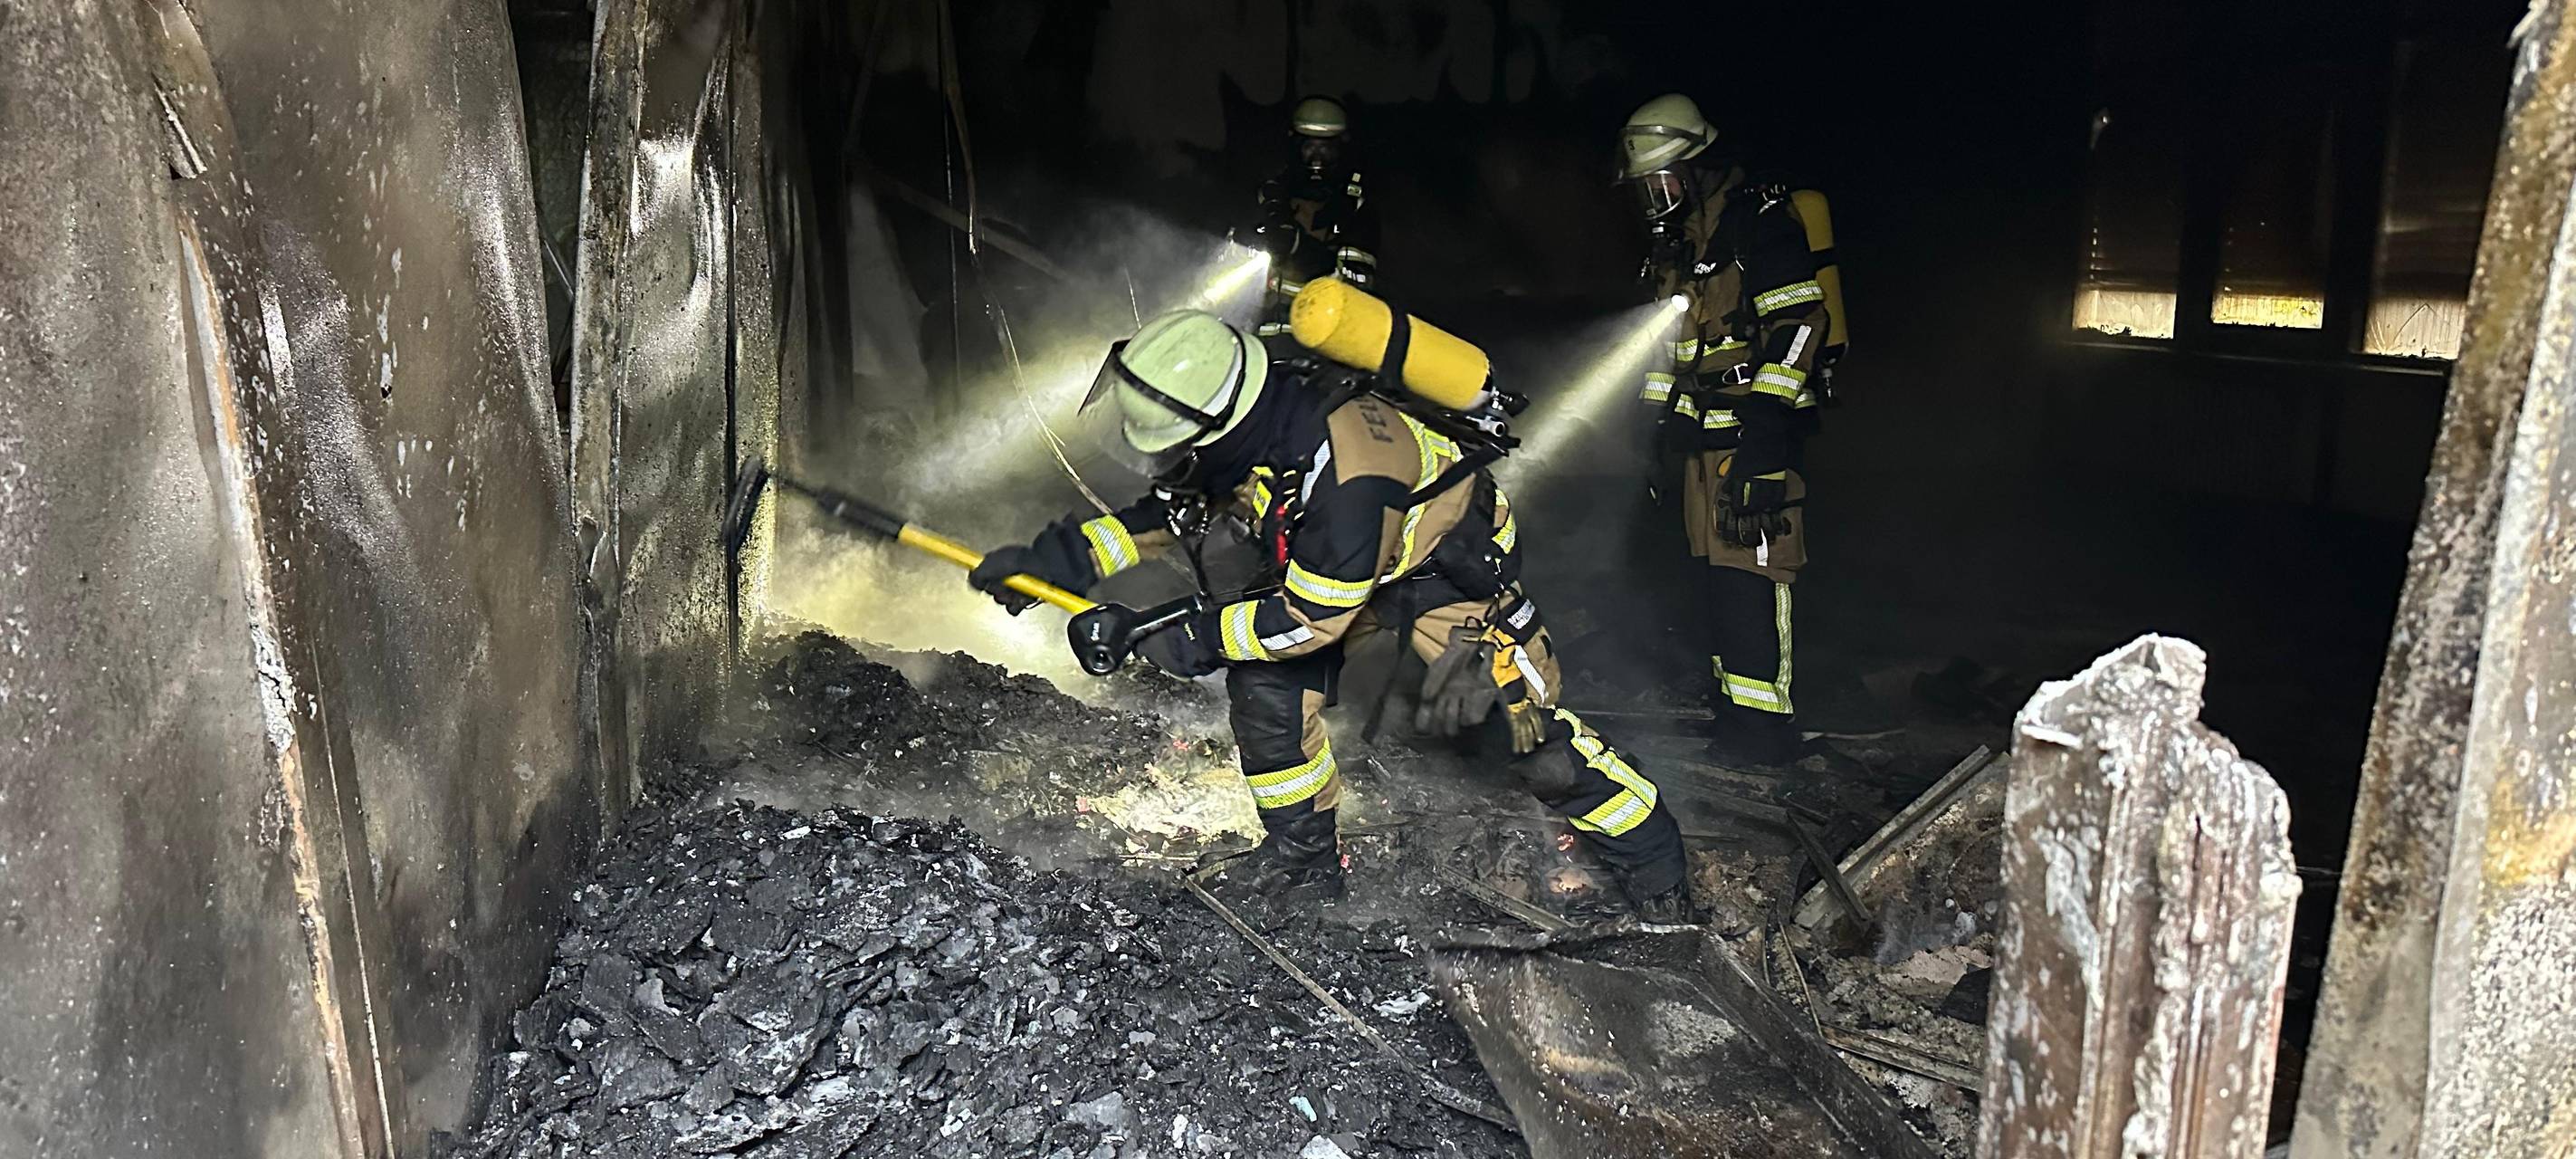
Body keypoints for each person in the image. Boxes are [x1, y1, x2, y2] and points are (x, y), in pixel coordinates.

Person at [966, 309, 1694, 920]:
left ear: (1220, 425)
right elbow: (1167, 512)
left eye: (1178, 446)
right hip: (1341, 565)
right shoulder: (1253, 423)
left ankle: (1658, 868)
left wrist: (1176, 635)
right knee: (1267, 695)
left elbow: (1305, 621)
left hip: (1445, 570)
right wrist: (1056, 560)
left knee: (1524, 734)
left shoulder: (1348, 478)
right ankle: (1304, 864)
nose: (1171, 460)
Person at [1622, 93, 1833, 769]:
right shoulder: (1684, 248)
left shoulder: (1757, 225)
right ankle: (1733, 717)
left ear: (1700, 166)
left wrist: (1768, 437)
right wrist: (1660, 439)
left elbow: (1802, 326)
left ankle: (1768, 735)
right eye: (1646, 189)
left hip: (1755, 438)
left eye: (1664, 182)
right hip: (1704, 448)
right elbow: (1678, 359)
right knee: (1712, 585)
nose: (1657, 200)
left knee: (1753, 580)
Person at [1244, 96, 1379, 337]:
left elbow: (1359, 284)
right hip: (1261, 342)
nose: (1317, 158)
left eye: (1326, 148)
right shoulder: (1270, 196)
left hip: (1324, 342)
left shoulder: (1355, 207)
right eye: (1309, 148)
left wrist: (1300, 248)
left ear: (1341, 150)